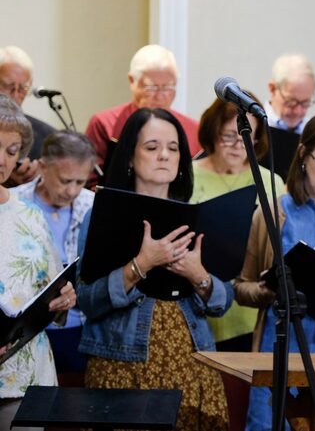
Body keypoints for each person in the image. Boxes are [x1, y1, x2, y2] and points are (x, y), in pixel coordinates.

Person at [76, 108, 231, 430]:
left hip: (192, 362)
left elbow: (222, 301)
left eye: (173, 148)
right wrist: (141, 265)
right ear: (130, 157)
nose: (164, 155)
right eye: (152, 147)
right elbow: (88, 300)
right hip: (122, 364)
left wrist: (196, 275)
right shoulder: (103, 215)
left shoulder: (198, 214)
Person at [234, 111, 315, 431]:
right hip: (285, 345)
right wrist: (268, 290)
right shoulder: (272, 212)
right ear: (304, 155)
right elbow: (241, 286)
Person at [0, 95, 76, 430]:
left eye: (12, 150)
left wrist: (64, 300)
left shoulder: (29, 213)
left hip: (28, 371)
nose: (2, 159)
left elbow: (51, 287)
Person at [192, 92, 286, 352]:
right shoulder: (188, 176)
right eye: (228, 136)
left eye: (246, 137)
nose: (237, 145)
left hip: (250, 307)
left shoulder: (271, 182)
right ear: (212, 133)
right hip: (200, 303)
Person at [11, 131, 96, 384]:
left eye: (80, 182)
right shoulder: (15, 203)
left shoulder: (92, 205)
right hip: (24, 332)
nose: (72, 191)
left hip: (77, 327)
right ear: (42, 167)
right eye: (65, 180)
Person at [84, 44, 200, 188]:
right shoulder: (104, 123)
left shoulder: (194, 129)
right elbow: (89, 181)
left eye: (168, 87)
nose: (160, 96)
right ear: (132, 81)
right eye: (151, 87)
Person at [0, 46, 57, 186]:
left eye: (23, 88)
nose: (15, 94)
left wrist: (37, 182)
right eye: (8, 85)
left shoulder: (47, 136)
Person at [265, 53, 315, 134]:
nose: (297, 111)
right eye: (291, 101)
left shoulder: (314, 133)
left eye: (305, 103)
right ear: (272, 88)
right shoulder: (254, 128)